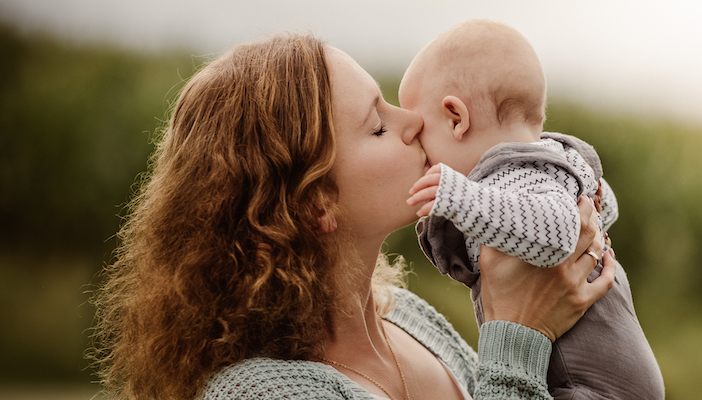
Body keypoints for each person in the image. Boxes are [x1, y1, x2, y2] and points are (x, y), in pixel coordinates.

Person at [88, 32, 617, 400]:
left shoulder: (412, 321)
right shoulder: (260, 392)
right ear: (317, 202)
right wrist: (516, 335)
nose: (413, 121)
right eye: (378, 125)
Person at [402, 19, 664, 399]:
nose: (419, 151)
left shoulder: (513, 172)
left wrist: (460, 195)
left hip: (590, 384)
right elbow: (602, 206)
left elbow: (558, 235)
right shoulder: (548, 165)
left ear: (456, 119)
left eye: (422, 135)